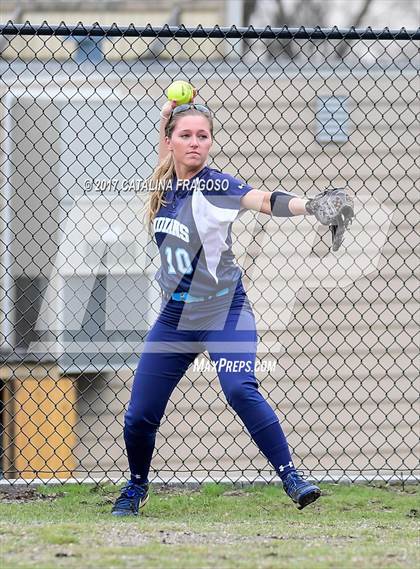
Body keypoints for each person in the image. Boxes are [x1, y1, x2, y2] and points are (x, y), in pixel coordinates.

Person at [111, 93, 327, 517]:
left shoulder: (217, 184)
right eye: (186, 135)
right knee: (139, 414)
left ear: (211, 143)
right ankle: (136, 487)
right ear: (171, 141)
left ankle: (292, 477)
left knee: (239, 388)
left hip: (224, 310)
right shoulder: (164, 184)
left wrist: (311, 206)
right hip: (175, 318)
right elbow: (166, 152)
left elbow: (264, 200)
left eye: (203, 136)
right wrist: (165, 118)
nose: (195, 142)